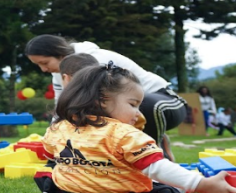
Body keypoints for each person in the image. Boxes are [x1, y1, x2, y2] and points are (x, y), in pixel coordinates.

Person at [36, 62, 236, 193]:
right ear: (102, 100)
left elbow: (47, 154)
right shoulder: (124, 133)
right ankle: (183, 186)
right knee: (165, 189)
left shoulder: (59, 126)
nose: (138, 112)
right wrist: (203, 184)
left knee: (47, 176)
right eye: (133, 104)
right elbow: (156, 167)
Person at [24, 35, 186, 161]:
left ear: (59, 53)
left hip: (164, 103)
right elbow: (62, 107)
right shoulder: (59, 74)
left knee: (135, 106)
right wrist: (51, 138)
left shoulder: (95, 60)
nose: (43, 69)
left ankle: (158, 154)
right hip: (125, 109)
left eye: (44, 62)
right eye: (38, 65)